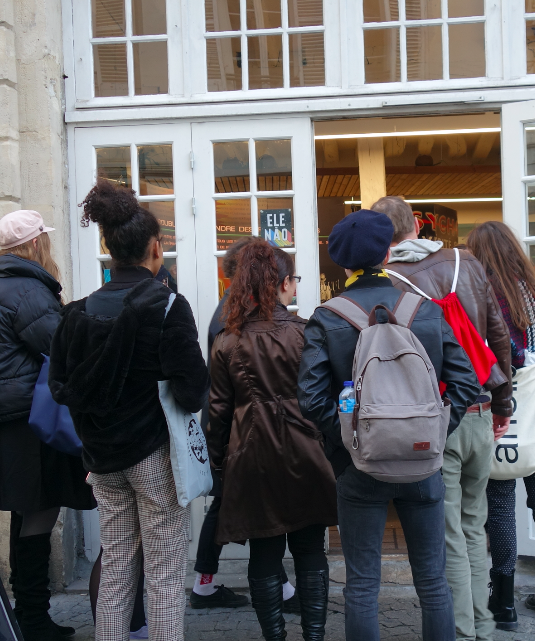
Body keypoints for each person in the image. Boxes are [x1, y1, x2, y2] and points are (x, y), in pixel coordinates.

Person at [298, 210, 480, 641]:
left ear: (342, 262)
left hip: (357, 465)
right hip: (423, 459)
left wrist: (351, 437)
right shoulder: (425, 310)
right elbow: (467, 381)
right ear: (386, 252)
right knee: (434, 582)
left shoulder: (327, 317)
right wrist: (435, 431)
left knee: (362, 583)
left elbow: (310, 397)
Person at [48, 179, 209, 641]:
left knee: (116, 564)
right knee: (162, 570)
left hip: (100, 457)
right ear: (156, 249)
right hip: (154, 453)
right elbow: (193, 391)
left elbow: (61, 386)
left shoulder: (75, 313)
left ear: (107, 246)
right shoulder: (167, 306)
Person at [374, 195, 513, 641]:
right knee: (475, 525)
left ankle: (460, 628)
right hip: (480, 411)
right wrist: (503, 403)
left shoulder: (390, 280)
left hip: (439, 417)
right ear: (417, 224)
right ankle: (483, 624)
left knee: (449, 531)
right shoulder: (466, 261)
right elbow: (497, 335)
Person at [0, 210, 96, 641]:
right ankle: (34, 619)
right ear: (35, 245)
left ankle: (29, 614)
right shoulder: (28, 290)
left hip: (9, 421)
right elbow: (63, 350)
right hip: (31, 423)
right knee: (38, 513)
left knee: (28, 513)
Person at [208, 240, 337, 641]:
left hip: (251, 453)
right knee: (310, 545)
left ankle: (275, 638)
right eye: (294, 279)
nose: (295, 286)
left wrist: (218, 469)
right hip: (307, 450)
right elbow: (326, 398)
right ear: (282, 284)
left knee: (264, 551)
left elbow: (216, 413)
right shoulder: (306, 333)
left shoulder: (228, 341)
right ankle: (314, 635)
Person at [466, 221, 535, 630]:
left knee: (501, 504)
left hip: (503, 415)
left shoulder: (488, 296)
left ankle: (504, 602)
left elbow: (493, 358)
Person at [191, 236, 253, 610]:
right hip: (234, 423)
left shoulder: (229, 307)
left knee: (228, 503)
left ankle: (204, 584)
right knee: (236, 502)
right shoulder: (233, 313)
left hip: (228, 421)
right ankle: (277, 586)